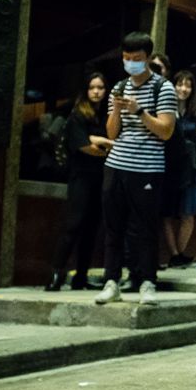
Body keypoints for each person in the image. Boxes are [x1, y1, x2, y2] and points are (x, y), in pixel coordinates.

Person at [94, 32, 178, 307]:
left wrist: (140, 111)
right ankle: (111, 281)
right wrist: (118, 110)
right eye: (126, 59)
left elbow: (166, 131)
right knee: (113, 226)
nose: (131, 64)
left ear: (148, 59)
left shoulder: (163, 88)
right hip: (116, 165)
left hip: (147, 168)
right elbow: (111, 132)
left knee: (145, 228)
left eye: (137, 59)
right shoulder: (119, 87)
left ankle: (147, 282)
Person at [46, 73, 113, 291]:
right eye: (92, 87)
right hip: (81, 177)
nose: (96, 91)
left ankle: (81, 276)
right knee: (73, 224)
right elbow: (85, 147)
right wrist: (104, 144)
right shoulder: (77, 115)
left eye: (101, 87)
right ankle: (56, 274)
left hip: (100, 178)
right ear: (85, 90)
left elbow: (111, 140)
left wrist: (100, 141)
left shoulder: (106, 115)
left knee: (92, 228)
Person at [161, 70, 196, 269]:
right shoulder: (165, 109)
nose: (183, 89)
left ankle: (179, 253)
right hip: (169, 165)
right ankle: (174, 254)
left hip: (191, 165)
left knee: (189, 212)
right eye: (180, 84)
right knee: (167, 212)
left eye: (188, 85)